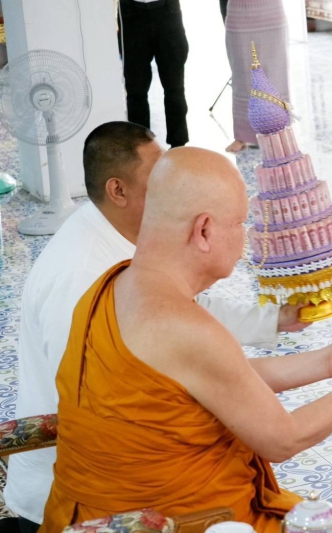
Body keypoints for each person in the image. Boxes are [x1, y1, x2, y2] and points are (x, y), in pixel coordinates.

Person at [39, 147, 332, 531]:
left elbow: (217, 380)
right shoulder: (186, 327)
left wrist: (328, 362)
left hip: (79, 515)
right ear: (204, 230)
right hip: (182, 523)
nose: (247, 239)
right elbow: (283, 440)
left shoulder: (112, 286)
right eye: (241, 224)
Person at [6, 122, 306, 530]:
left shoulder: (126, 237)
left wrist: (276, 320)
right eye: (158, 175)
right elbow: (103, 404)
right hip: (98, 500)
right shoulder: (80, 276)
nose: (171, 183)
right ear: (118, 191)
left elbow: (186, 318)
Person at [118, 0, 189, 148]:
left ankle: (178, 144)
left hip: (167, 11)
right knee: (135, 90)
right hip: (131, 13)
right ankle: (140, 146)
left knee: (174, 86)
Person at [224, 0, 289, 153]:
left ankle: (278, 134)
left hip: (271, 12)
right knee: (242, 76)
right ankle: (242, 136)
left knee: (276, 75)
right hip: (239, 13)